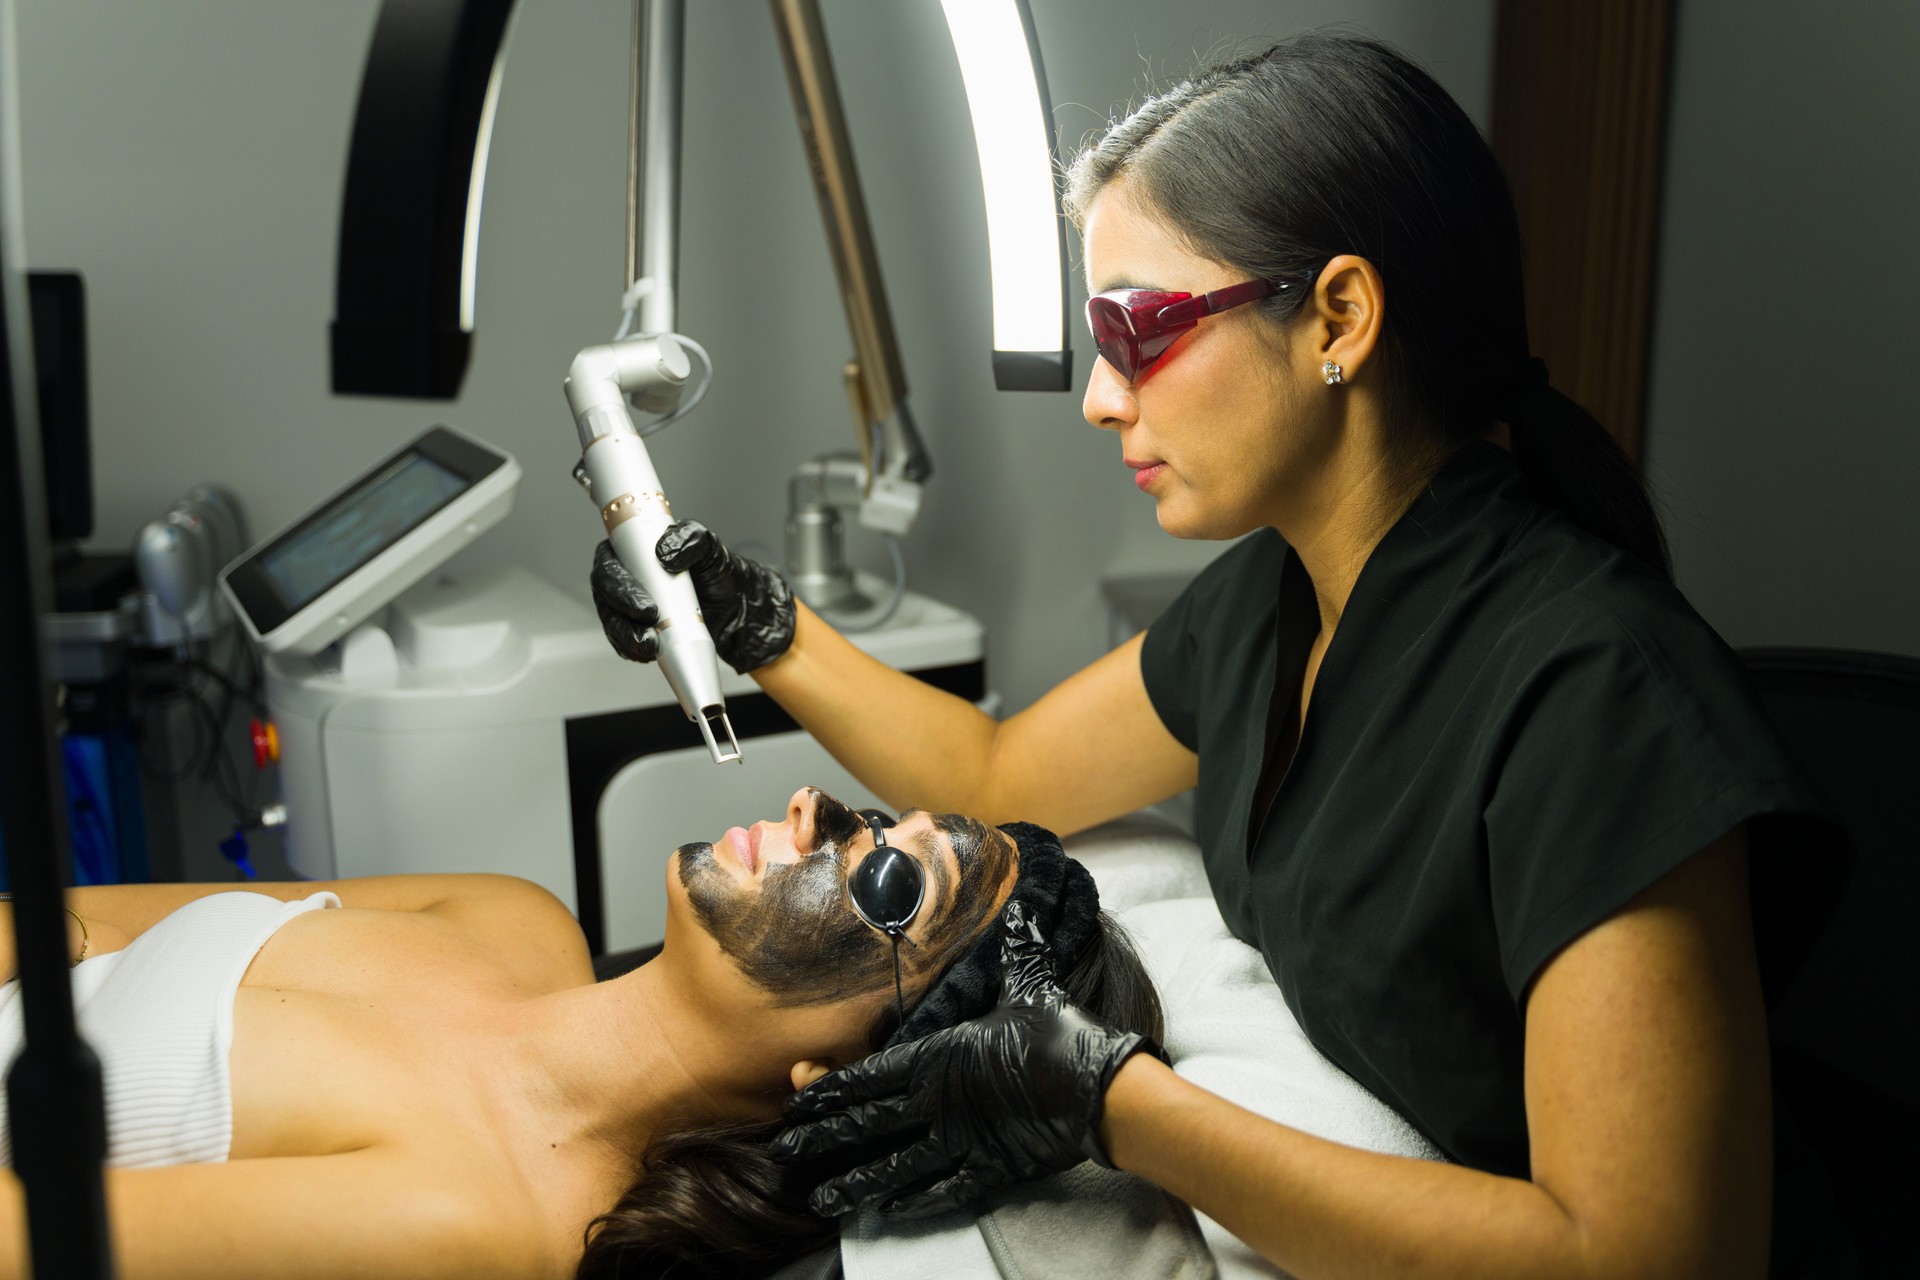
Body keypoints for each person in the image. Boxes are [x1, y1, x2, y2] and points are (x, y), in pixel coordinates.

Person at [589, 31, 1850, 1280]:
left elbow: (1648, 1255)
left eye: (1136, 327)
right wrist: (748, 618)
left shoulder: (1595, 692)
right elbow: (998, 764)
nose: (1097, 393)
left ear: (1340, 318)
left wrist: (1108, 1102)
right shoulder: (1277, 599)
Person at [0, 789, 1163, 1280]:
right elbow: (80, 925)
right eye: (867, 814)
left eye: (891, 877)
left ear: (855, 1069)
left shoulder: (479, 1219)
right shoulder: (514, 915)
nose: (816, 814)